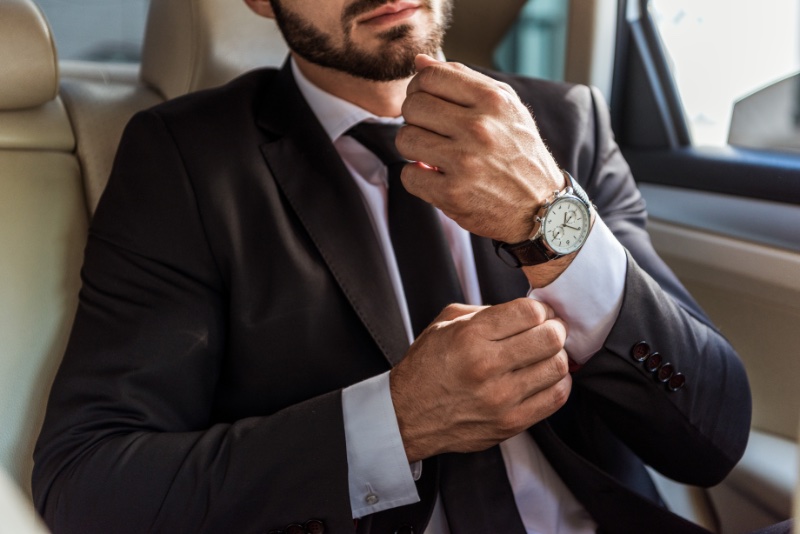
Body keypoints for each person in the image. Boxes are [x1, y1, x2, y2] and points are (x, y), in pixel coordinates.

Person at [32, 0, 752, 532]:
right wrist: (397, 422)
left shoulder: (564, 123)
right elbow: (89, 485)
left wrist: (553, 223)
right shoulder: (188, 161)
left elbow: (714, 438)